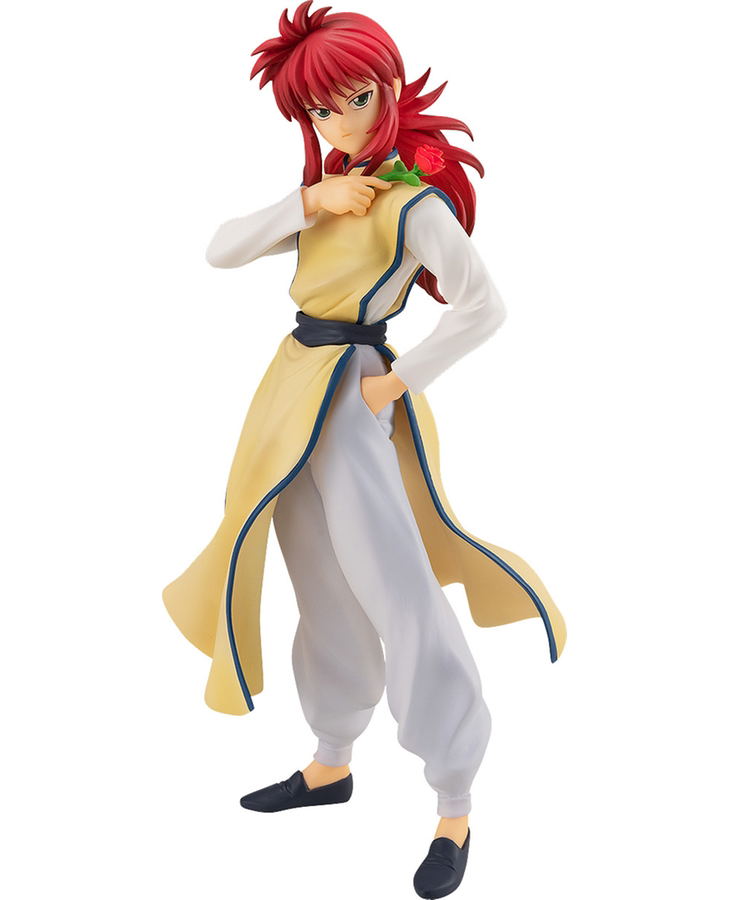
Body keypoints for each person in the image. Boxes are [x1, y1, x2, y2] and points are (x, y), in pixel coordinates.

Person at [162, 3, 566, 896]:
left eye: (354, 99)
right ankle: (331, 758)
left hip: (350, 391)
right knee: (319, 581)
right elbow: (219, 250)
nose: (337, 122)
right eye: (318, 110)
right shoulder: (327, 190)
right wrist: (308, 200)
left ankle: (454, 800)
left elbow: (484, 305)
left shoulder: (412, 204)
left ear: (386, 89)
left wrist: (399, 380)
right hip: (288, 393)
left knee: (397, 586)